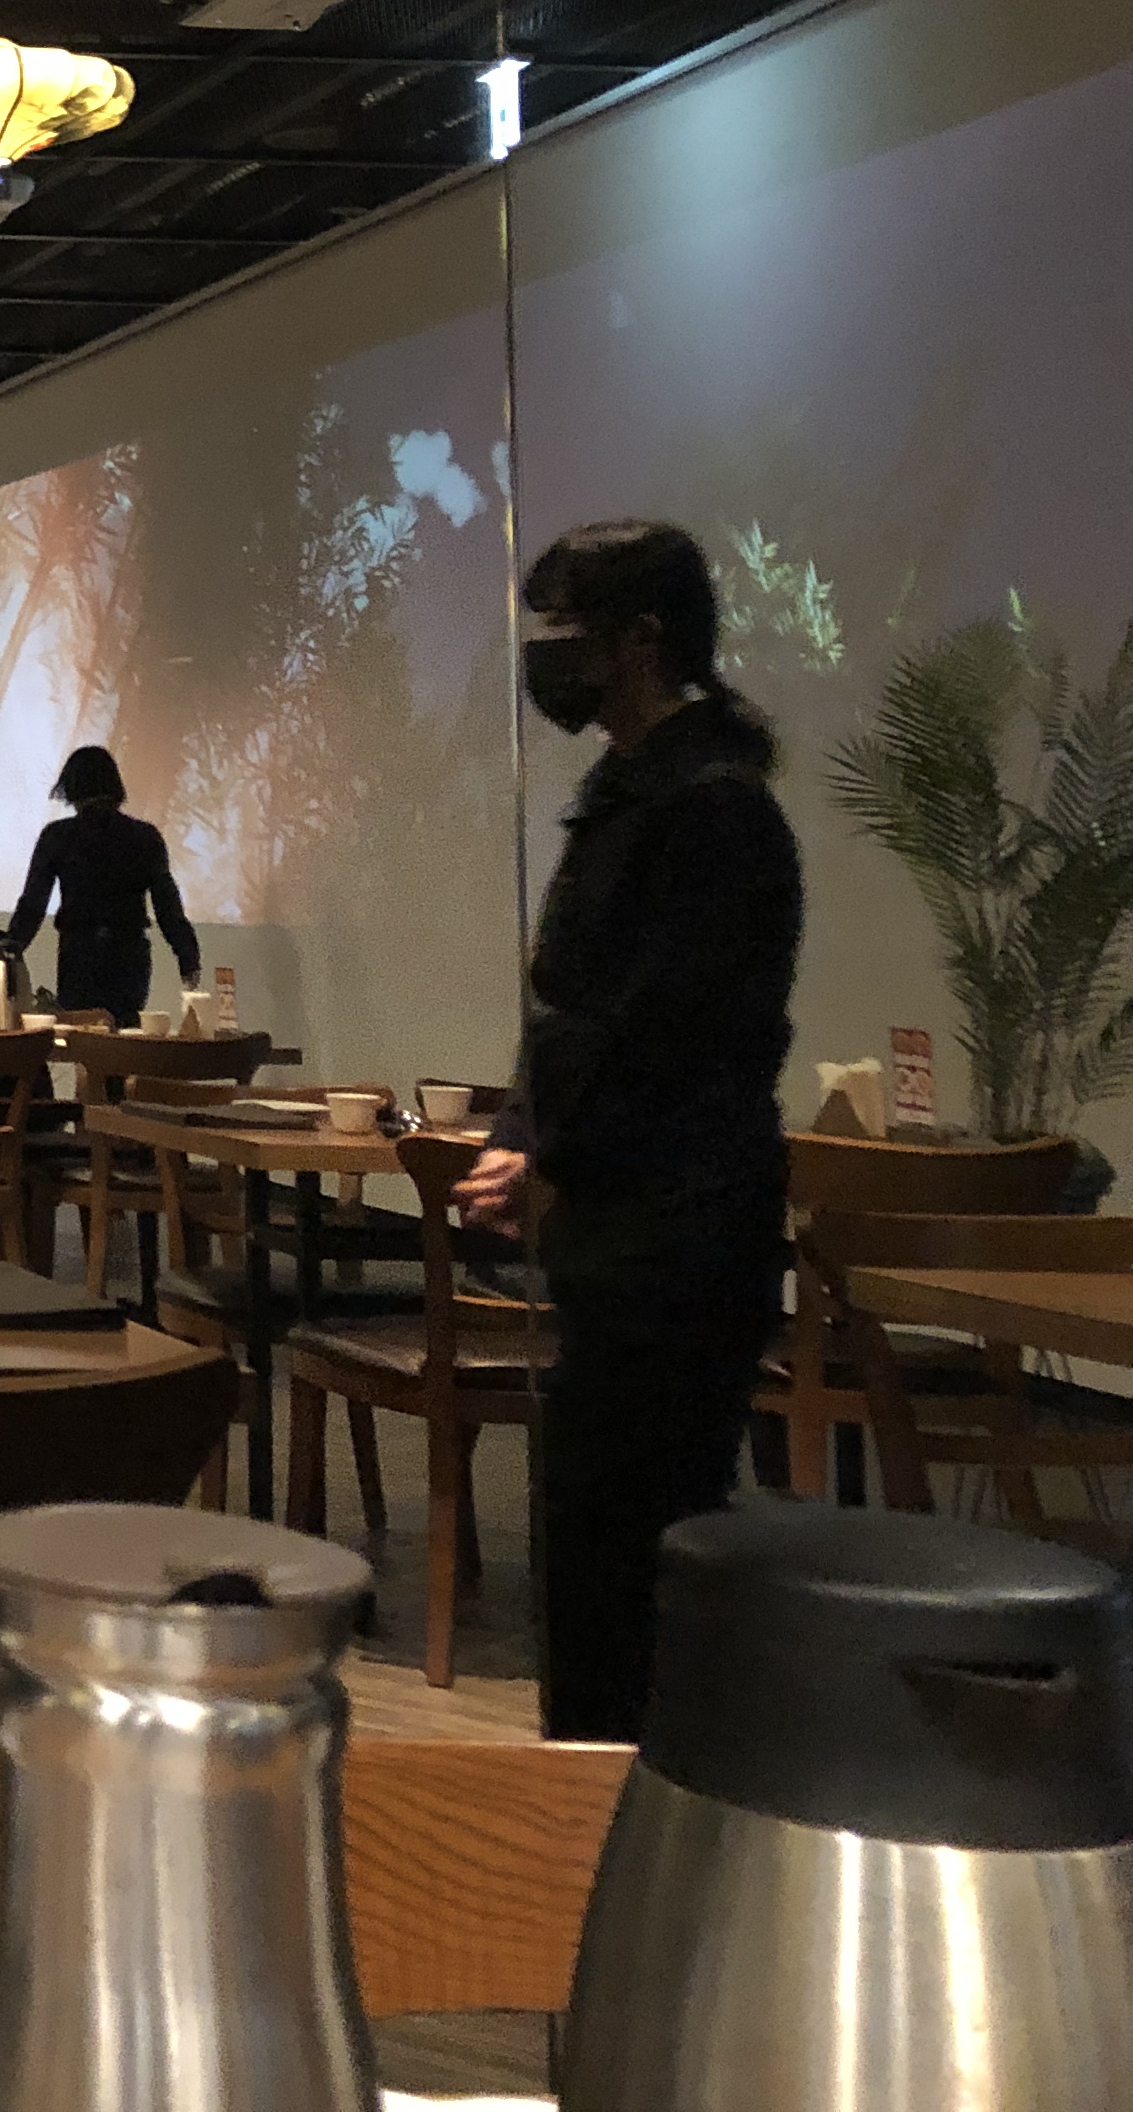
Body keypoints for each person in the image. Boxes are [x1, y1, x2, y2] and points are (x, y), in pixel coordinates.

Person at [458, 520, 799, 1744]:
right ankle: (587, 1789)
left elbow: (669, 1035)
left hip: (678, 1240)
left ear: (640, 640)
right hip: (611, 1235)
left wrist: (550, 1148)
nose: (546, 656)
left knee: (639, 1559)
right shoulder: (626, 796)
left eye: (566, 629)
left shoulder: (717, 813)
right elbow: (568, 1010)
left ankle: (637, 1806)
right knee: (588, 1551)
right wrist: (521, 1131)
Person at [3, 745, 197, 1024]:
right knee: (125, 1032)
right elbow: (167, 905)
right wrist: (188, 956)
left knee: (83, 1033)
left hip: (78, 954)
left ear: (71, 788)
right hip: (129, 956)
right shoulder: (145, 837)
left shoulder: (58, 836)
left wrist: (9, 953)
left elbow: (32, 904)